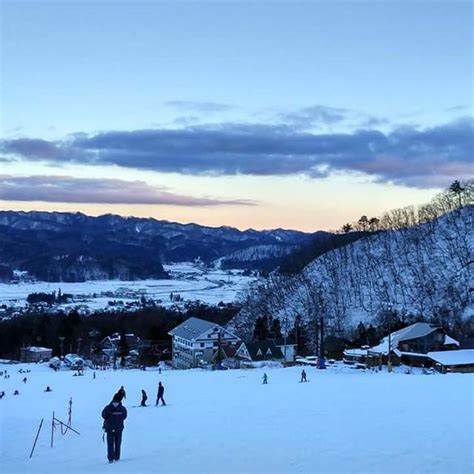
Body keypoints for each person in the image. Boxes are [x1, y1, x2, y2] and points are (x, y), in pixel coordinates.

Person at [101, 393, 128, 463]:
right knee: (118, 443)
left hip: (109, 428)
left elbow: (103, 415)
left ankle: (110, 458)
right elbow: (124, 416)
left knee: (110, 444)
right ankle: (117, 457)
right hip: (119, 428)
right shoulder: (122, 408)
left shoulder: (107, 407)